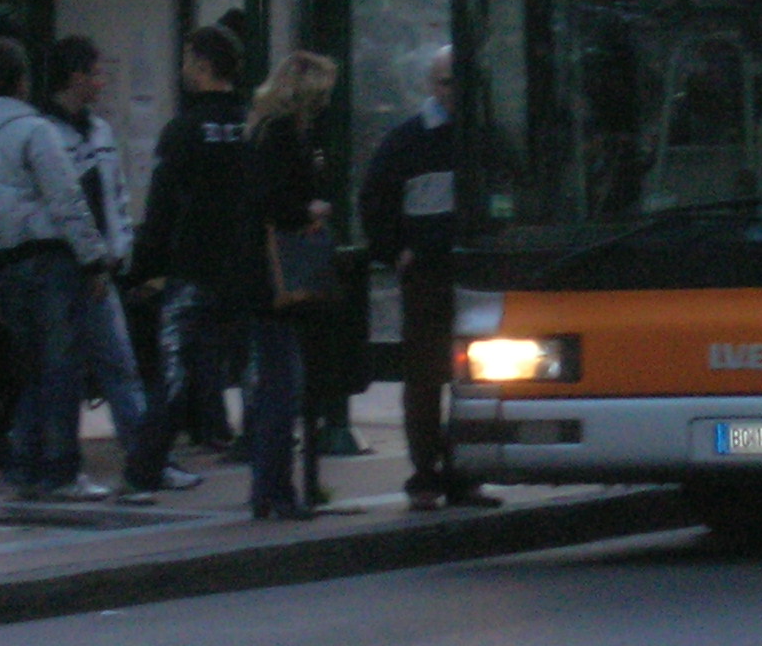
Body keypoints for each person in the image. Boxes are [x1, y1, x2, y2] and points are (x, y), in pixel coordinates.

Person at [0, 37, 113, 500]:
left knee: (32, 370)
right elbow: (66, 201)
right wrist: (94, 259)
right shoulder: (34, 132)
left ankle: (23, 466)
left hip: (1, 266)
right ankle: (59, 470)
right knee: (62, 369)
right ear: (21, 82)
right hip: (50, 260)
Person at [47, 37, 189, 499]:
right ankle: (64, 467)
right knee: (67, 370)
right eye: (95, 72)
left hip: (102, 268)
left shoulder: (100, 131)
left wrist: (120, 252)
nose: (102, 81)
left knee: (120, 366)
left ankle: (145, 458)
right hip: (66, 266)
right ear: (74, 77)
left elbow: (116, 195)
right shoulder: (47, 134)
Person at [123, 26, 255, 497]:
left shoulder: (182, 131)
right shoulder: (252, 124)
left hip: (195, 268)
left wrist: (142, 270)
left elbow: (162, 209)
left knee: (173, 370)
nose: (182, 70)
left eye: (187, 61)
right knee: (253, 365)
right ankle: (266, 462)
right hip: (247, 270)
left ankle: (146, 466)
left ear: (202, 67)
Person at [360, 46, 493, 511]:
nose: (451, 91)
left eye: (456, 82)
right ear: (431, 85)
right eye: (445, 82)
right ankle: (430, 472)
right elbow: (375, 201)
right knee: (426, 378)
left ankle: (456, 472)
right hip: (434, 275)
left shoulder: (470, 137)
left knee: (459, 379)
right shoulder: (412, 142)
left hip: (463, 273)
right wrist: (396, 252)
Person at [243, 50, 340, 520]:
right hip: (277, 273)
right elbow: (276, 201)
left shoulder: (264, 129)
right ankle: (277, 490)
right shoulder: (284, 136)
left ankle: (270, 487)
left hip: (261, 275)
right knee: (283, 384)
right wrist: (310, 211)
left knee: (274, 384)